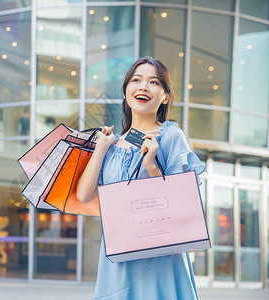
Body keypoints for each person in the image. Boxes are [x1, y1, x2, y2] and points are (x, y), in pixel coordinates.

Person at [76, 57, 205, 299]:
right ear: (126, 92)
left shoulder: (170, 135)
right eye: (136, 80)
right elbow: (84, 195)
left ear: (165, 96)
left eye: (153, 82)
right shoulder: (111, 144)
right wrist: (101, 148)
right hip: (119, 253)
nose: (143, 86)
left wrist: (151, 165)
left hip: (160, 255)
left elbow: (186, 202)